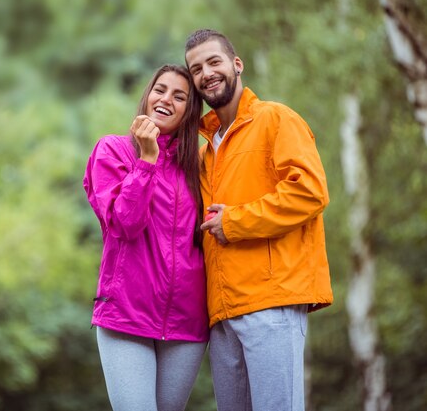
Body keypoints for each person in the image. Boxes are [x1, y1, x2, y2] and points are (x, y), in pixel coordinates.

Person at [184, 29, 334, 411]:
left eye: (214, 61)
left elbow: (310, 192)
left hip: (271, 302)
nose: (206, 73)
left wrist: (236, 222)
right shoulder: (204, 152)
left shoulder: (276, 119)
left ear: (237, 64)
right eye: (196, 68)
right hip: (222, 313)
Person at [83, 64, 208, 411]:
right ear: (147, 96)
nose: (166, 99)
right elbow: (125, 223)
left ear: (189, 112)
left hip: (187, 325)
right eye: (160, 89)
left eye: (179, 96)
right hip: (126, 317)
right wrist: (147, 160)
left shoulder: (198, 169)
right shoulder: (112, 151)